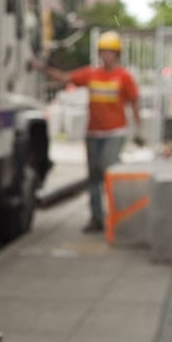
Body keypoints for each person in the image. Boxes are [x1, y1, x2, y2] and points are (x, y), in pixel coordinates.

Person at [43, 30, 141, 233]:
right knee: (94, 176)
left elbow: (134, 102)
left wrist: (139, 129)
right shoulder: (91, 74)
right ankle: (97, 219)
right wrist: (41, 67)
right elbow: (65, 78)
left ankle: (117, 216)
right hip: (93, 133)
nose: (106, 56)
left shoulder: (124, 77)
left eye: (110, 52)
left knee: (108, 171)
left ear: (117, 55)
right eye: (103, 52)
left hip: (115, 132)